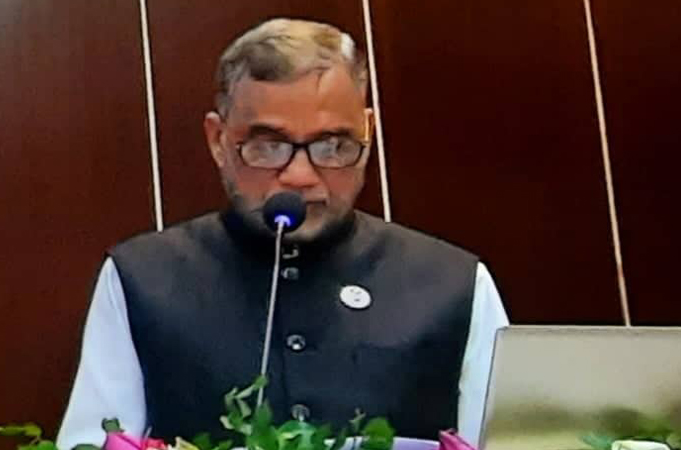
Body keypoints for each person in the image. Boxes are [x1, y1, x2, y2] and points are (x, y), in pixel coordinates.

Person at [56, 18, 508, 450]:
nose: (299, 176)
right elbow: (92, 441)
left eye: (332, 146)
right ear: (218, 141)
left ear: (367, 133)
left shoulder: (453, 282)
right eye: (268, 146)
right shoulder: (143, 278)